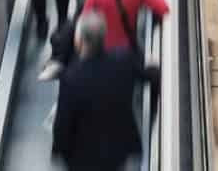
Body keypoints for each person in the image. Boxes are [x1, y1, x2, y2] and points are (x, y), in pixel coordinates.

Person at [52, 13, 149, 171]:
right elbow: (146, 74)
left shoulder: (71, 78)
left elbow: (63, 123)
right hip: (118, 151)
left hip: (83, 159)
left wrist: (58, 149)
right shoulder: (123, 60)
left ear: (79, 41)